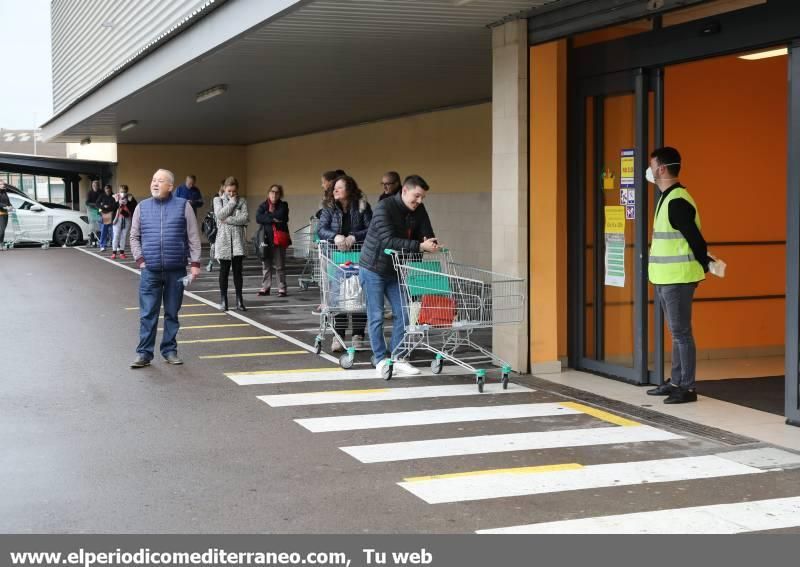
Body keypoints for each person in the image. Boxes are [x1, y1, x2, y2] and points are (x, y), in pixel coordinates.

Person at [646, 147, 711, 404]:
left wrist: (704, 264)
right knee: (677, 333)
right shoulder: (667, 197)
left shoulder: (677, 200)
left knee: (681, 333)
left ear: (662, 168)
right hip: (666, 277)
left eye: (652, 165)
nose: (649, 171)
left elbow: (696, 239)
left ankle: (687, 387)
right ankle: (675, 382)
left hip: (679, 278)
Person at [359, 174, 439, 377]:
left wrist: (432, 243)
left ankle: (398, 357)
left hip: (396, 269)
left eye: (422, 198)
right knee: (376, 316)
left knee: (403, 313)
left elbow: (426, 232)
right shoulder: (384, 208)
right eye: (416, 196)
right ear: (404, 191)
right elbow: (388, 240)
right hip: (373, 268)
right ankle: (380, 359)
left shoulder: (418, 209)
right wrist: (420, 246)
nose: (419, 201)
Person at [129, 169, 201, 368]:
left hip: (176, 270)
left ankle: (169, 350)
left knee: (172, 313)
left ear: (170, 186)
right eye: (153, 180)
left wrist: (195, 263)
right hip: (150, 270)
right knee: (147, 314)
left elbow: (193, 236)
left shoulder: (183, 206)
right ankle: (144, 353)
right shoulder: (142, 207)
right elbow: (134, 237)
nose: (154, 183)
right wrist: (140, 260)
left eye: (160, 181)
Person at [318, 175, 373, 352]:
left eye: (339, 187)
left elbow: (371, 228)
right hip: (336, 256)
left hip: (359, 255)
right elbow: (321, 229)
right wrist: (335, 236)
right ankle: (338, 335)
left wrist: (353, 236)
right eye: (334, 187)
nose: (335, 190)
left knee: (359, 294)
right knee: (337, 295)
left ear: (349, 190)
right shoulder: (328, 207)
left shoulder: (362, 206)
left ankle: (358, 334)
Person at [214, 176, 249, 311]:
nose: (232, 194)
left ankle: (239, 300)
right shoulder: (218, 200)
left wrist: (227, 220)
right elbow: (219, 215)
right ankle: (224, 300)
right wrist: (232, 203)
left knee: (237, 272)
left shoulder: (243, 201)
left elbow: (245, 218)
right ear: (224, 189)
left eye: (234, 191)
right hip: (223, 241)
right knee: (224, 271)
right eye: (229, 191)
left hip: (238, 242)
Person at [256, 184, 291, 297]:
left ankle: (282, 288)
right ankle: (265, 288)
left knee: (280, 265)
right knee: (266, 265)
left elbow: (282, 216)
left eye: (277, 192)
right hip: (265, 239)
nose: (274, 194)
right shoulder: (263, 205)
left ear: (280, 194)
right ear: (268, 193)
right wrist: (273, 218)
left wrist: (267, 216)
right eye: (272, 192)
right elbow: (258, 218)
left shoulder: (283, 205)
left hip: (279, 240)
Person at [204, 181, 226, 271]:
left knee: (225, 245)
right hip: (215, 224)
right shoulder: (215, 197)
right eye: (224, 186)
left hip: (224, 224)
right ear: (222, 186)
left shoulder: (228, 197)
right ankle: (211, 263)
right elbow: (212, 210)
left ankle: (226, 264)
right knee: (213, 245)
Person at [111, 185, 137, 259]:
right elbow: (112, 207)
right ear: (119, 191)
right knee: (116, 235)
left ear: (127, 191)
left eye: (124, 192)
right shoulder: (115, 197)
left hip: (127, 218)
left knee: (124, 236)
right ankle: (114, 252)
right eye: (121, 191)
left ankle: (122, 252)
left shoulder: (130, 198)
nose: (123, 193)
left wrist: (127, 203)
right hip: (117, 218)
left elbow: (134, 207)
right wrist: (118, 203)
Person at [96, 184, 117, 252]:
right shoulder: (102, 196)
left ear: (111, 189)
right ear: (104, 190)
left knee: (113, 231)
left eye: (109, 189)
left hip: (112, 214)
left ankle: (115, 245)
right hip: (105, 214)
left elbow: (116, 205)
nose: (108, 190)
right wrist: (103, 207)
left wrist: (108, 207)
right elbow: (97, 204)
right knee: (104, 230)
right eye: (106, 189)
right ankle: (102, 245)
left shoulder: (114, 196)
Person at [85, 179, 102, 246]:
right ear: (92, 186)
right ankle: (92, 240)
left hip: (99, 209)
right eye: (94, 185)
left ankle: (99, 240)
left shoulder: (101, 192)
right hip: (92, 209)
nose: (95, 186)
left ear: (99, 186)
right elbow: (87, 202)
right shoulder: (90, 193)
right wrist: (95, 205)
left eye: (96, 185)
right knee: (92, 225)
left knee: (100, 223)